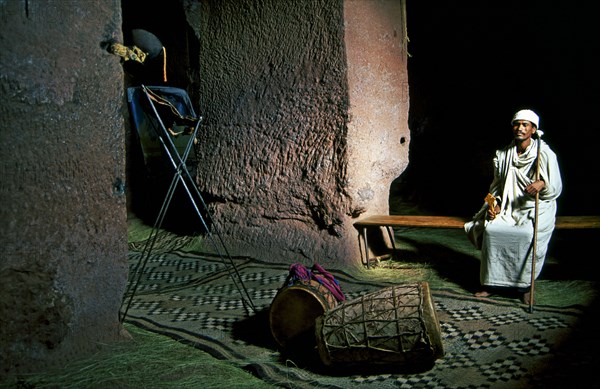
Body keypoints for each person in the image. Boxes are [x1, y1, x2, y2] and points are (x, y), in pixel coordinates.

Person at [464, 109, 562, 304]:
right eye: (517, 124)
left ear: (533, 130)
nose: (520, 128)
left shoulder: (544, 153)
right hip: (509, 207)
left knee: (526, 234)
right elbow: (497, 186)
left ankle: (525, 286)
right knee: (492, 230)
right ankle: (491, 284)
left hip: (534, 207)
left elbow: (555, 188)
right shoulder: (503, 155)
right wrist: (496, 204)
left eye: (525, 125)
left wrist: (542, 183)